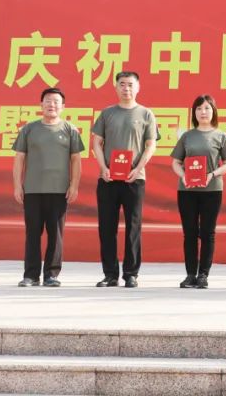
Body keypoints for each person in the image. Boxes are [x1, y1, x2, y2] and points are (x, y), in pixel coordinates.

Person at [12, 87, 84, 287]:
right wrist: (17, 185)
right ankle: (31, 275)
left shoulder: (70, 130)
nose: (52, 105)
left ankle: (52, 274)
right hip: (33, 190)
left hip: (59, 190)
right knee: (32, 233)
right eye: (48, 101)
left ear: (63, 106)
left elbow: (76, 160)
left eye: (56, 102)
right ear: (41, 105)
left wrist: (74, 185)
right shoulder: (29, 129)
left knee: (56, 234)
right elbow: (19, 159)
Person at [91, 71, 157, 288]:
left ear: (138, 87)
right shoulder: (107, 113)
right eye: (122, 84)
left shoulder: (146, 114)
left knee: (133, 226)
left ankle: (131, 273)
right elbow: (96, 142)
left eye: (130, 84)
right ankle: (110, 274)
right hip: (108, 178)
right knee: (106, 227)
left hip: (134, 179)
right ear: (116, 87)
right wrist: (103, 167)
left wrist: (138, 168)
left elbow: (150, 145)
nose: (126, 88)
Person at [170, 95, 226, 289]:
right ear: (194, 112)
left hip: (212, 190)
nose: (203, 112)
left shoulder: (221, 136)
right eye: (199, 108)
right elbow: (176, 162)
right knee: (189, 233)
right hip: (187, 190)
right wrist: (184, 176)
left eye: (207, 108)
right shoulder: (187, 136)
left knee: (207, 232)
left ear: (213, 111)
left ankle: (203, 274)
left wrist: (211, 174)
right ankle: (190, 274)